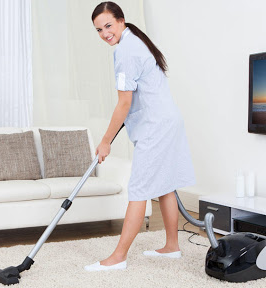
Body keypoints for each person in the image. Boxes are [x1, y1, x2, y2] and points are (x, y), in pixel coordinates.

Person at [84, 1, 196, 272]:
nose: (105, 34)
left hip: (156, 127)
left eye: (108, 26)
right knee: (165, 185)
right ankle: (171, 246)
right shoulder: (135, 41)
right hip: (167, 121)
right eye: (99, 30)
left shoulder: (126, 50)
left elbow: (124, 103)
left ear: (121, 21)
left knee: (139, 190)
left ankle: (119, 256)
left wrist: (105, 141)